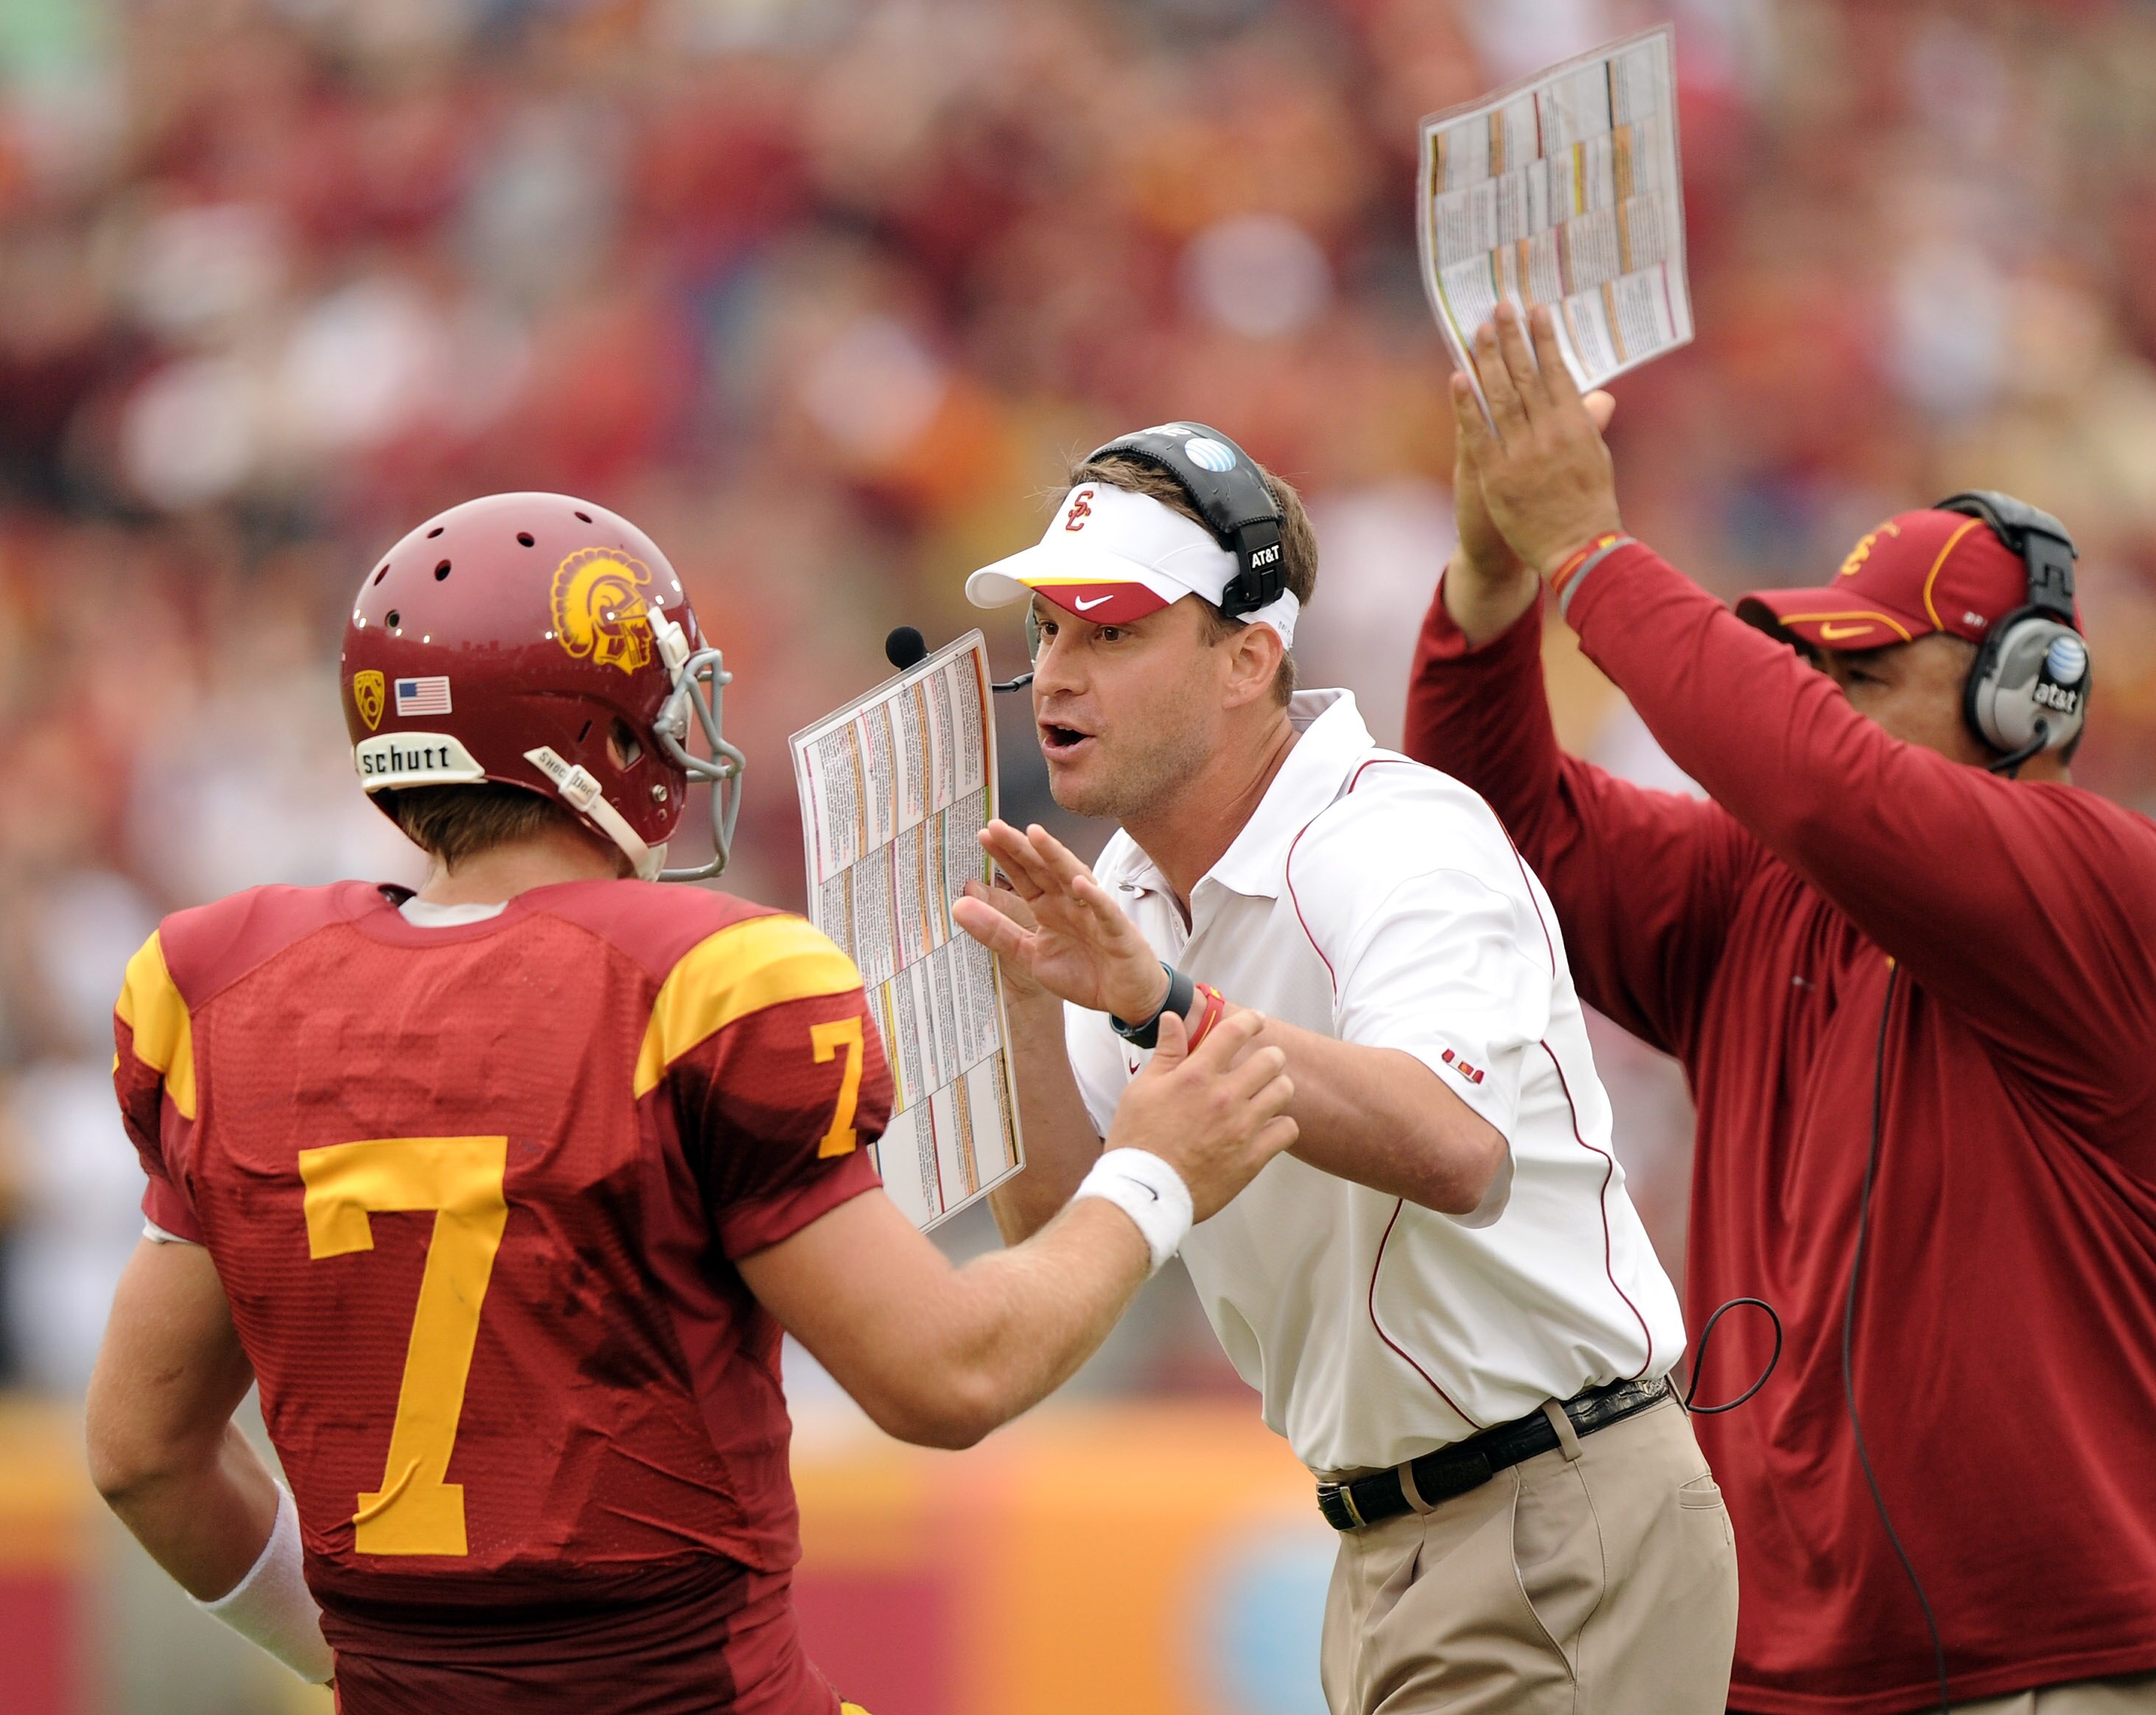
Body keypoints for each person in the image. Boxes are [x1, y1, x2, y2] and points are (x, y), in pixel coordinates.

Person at [81, 490, 1299, 1714]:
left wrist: (376, 1673)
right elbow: (949, 1377)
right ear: (603, 739)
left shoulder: (226, 988)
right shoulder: (701, 983)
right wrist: (1153, 1173)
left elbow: (143, 1456)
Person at [1407, 303, 2156, 1714]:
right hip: (1779, 1668)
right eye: (1810, 665)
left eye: (1864, 672)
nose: (1819, 696)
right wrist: (1493, 578)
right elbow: (1486, 831)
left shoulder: (2101, 887)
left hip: (2055, 1667)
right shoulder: (1763, 895)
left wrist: (1593, 553)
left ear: (2026, 703)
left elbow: (1821, 780)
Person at [949, 421, 1737, 1715]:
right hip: (1394, 1542)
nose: (1054, 676)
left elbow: (1451, 1146)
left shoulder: (1398, 834)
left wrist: (1164, 1005)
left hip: (1554, 1510)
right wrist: (1023, 1000)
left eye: (1112, 631)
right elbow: (1053, 1228)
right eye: (1047, 632)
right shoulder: (1127, 897)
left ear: (1248, 658)